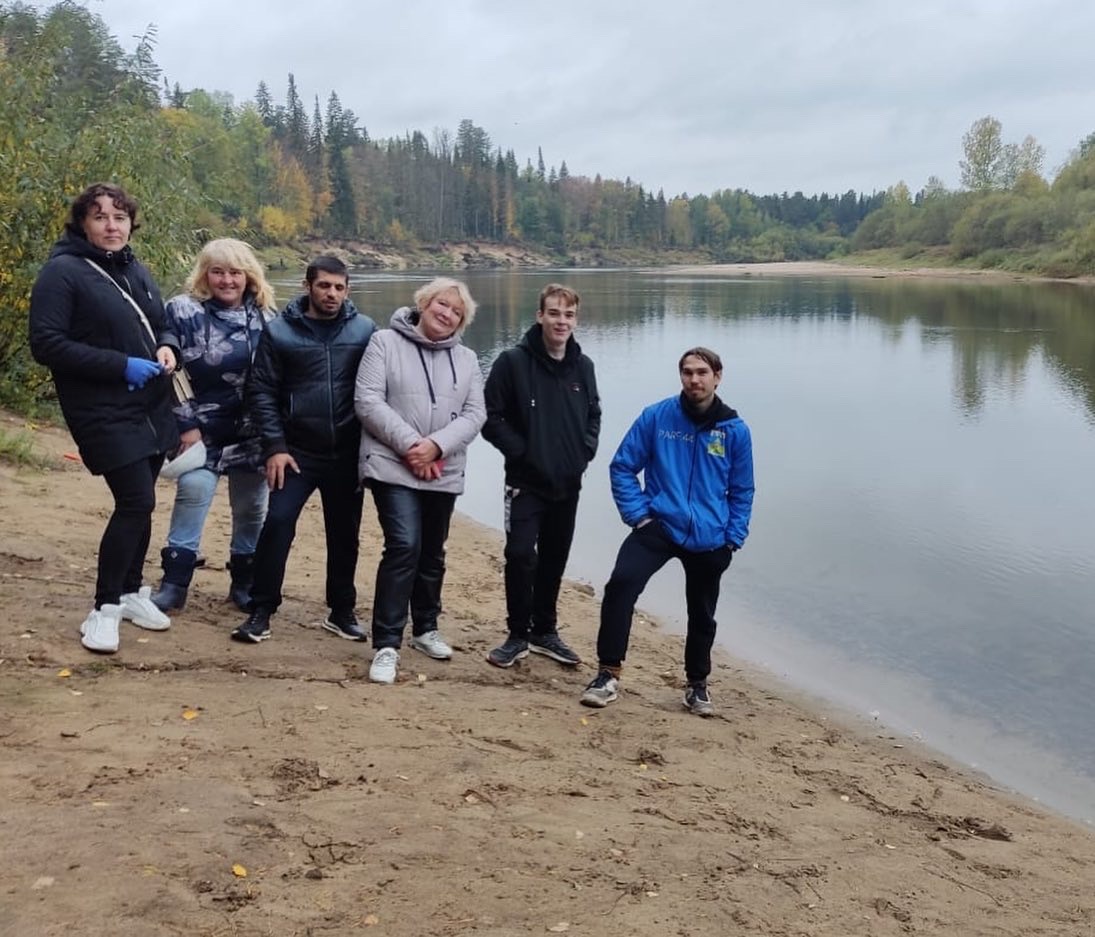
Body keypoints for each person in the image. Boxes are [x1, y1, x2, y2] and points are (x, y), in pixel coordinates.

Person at [28, 182, 178, 653]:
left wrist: (167, 346)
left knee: (144, 501)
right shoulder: (62, 272)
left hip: (152, 406)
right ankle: (104, 608)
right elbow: (46, 344)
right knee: (135, 500)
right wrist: (120, 365)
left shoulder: (134, 267)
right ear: (82, 223)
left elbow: (161, 321)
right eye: (100, 217)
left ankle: (131, 592)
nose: (112, 226)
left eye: (120, 217)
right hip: (101, 410)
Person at [580, 347, 754, 716]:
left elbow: (742, 490)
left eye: (702, 372)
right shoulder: (657, 417)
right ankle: (607, 674)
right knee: (621, 585)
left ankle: (697, 685)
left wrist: (733, 538)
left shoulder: (734, 431)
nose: (694, 379)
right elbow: (623, 467)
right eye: (688, 372)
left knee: (702, 612)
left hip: (710, 536)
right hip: (658, 525)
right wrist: (639, 516)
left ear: (718, 377)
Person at [230, 256, 376, 643]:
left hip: (347, 452)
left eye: (339, 287)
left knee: (345, 534)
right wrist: (275, 447)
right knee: (278, 524)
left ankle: (341, 611)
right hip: (296, 452)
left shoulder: (364, 330)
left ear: (348, 290)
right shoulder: (280, 332)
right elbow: (262, 392)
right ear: (307, 286)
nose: (332, 294)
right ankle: (261, 610)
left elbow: (381, 384)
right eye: (324, 285)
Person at [355, 277, 486, 684]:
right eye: (442, 304)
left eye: (457, 312)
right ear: (424, 303)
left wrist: (436, 448)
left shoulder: (467, 359)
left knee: (432, 551)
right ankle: (387, 644)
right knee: (403, 545)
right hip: (392, 465)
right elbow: (367, 401)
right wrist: (414, 447)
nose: (447, 314)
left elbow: (475, 414)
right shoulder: (383, 343)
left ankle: (426, 628)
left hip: (441, 468)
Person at [150, 239, 277, 612]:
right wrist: (186, 426)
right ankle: (174, 583)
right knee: (193, 492)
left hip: (252, 432)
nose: (227, 280)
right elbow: (170, 370)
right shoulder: (182, 310)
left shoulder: (267, 317)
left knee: (251, 507)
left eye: (235, 272)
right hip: (199, 429)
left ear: (249, 276)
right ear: (204, 274)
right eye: (217, 272)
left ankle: (244, 583)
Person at [482, 283, 600, 668]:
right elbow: (490, 417)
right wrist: (523, 453)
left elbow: (593, 414)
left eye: (568, 315)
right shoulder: (512, 362)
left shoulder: (583, 367)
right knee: (520, 555)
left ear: (575, 320)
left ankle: (544, 631)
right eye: (554, 313)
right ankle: (517, 634)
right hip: (525, 484)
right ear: (540, 316)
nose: (561, 321)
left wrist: (584, 452)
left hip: (568, 484)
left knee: (554, 557)